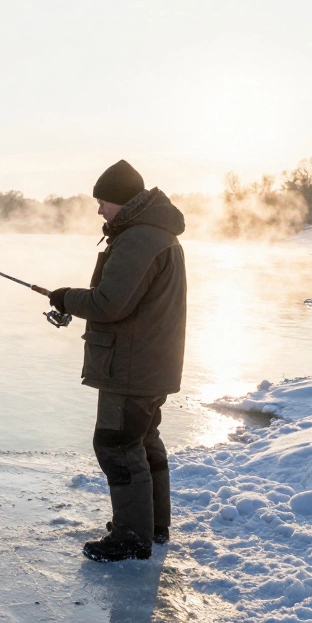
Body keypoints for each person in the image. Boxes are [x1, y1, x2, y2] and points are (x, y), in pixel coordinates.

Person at [48, 160, 187, 563]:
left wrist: (66, 297)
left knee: (117, 444)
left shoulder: (139, 239)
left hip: (131, 366)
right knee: (142, 440)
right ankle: (152, 525)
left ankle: (131, 538)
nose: (99, 210)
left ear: (122, 201)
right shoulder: (155, 233)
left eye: (103, 202)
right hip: (149, 362)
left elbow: (109, 303)